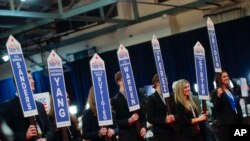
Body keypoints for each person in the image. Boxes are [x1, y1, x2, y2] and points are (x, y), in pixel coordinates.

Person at [0, 70, 54, 141]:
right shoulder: (7, 107)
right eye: (29, 78)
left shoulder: (39, 105)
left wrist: (45, 139)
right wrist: (24, 136)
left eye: (32, 78)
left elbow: (50, 129)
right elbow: (3, 135)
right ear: (18, 83)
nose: (33, 81)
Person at [110, 71, 147, 141]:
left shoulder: (135, 95)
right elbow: (116, 123)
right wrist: (129, 120)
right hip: (127, 137)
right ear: (119, 82)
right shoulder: (114, 100)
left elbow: (142, 116)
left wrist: (144, 127)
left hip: (140, 136)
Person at [210, 70, 243, 141]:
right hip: (225, 124)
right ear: (219, 79)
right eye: (224, 76)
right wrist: (219, 96)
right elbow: (216, 108)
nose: (226, 78)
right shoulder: (215, 92)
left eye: (227, 76)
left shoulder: (230, 90)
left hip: (236, 120)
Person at [146, 74, 176, 141]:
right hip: (160, 133)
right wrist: (164, 120)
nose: (167, 83)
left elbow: (176, 111)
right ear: (157, 83)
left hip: (173, 131)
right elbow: (149, 118)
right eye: (165, 81)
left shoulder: (171, 96)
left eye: (167, 81)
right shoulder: (151, 98)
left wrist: (174, 117)